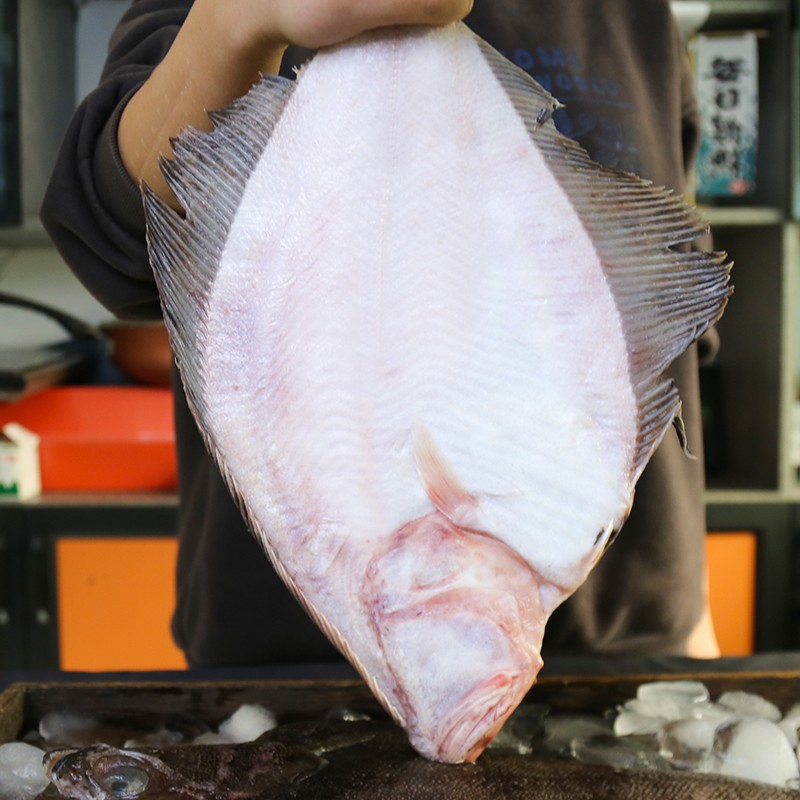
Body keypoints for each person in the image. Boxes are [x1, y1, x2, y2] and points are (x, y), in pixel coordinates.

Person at [41, 0, 720, 667]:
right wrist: (236, 19)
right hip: (297, 685)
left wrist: (696, 622)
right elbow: (115, 239)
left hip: (636, 666)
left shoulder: (638, 12)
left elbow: (669, 332)